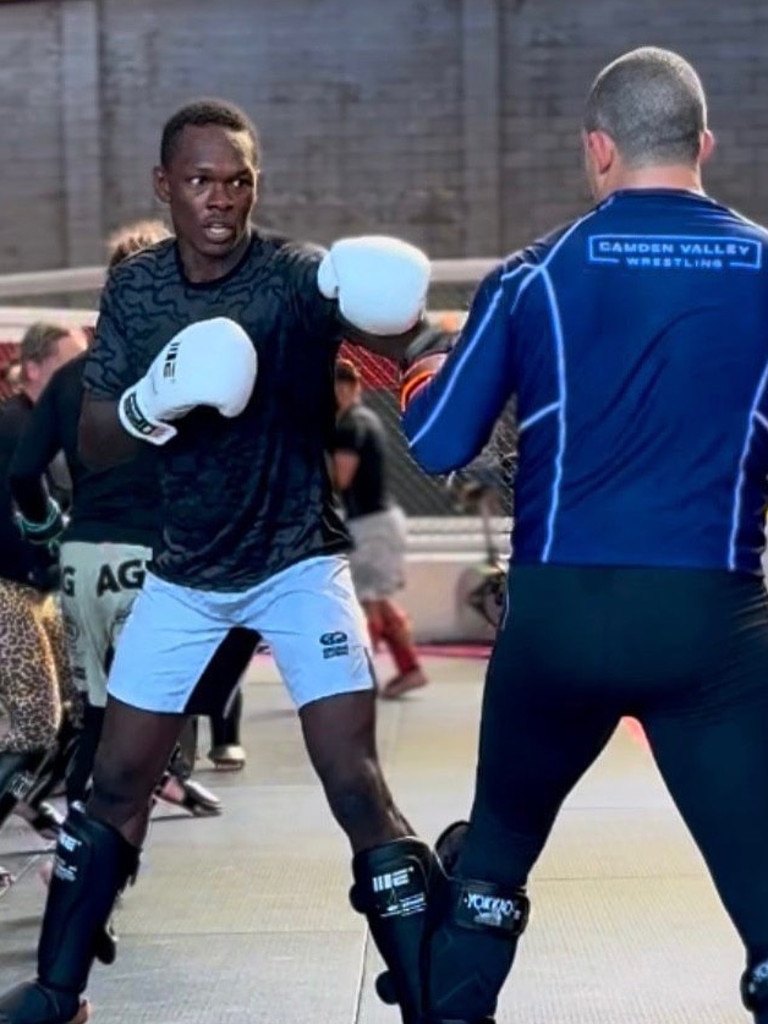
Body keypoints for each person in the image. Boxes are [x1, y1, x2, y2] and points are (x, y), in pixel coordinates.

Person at [0, 97, 432, 1024]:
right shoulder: (138, 289)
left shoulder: (298, 278)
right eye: (200, 181)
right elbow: (93, 439)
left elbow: (400, 336)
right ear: (165, 186)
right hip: (185, 571)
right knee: (116, 780)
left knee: (353, 779)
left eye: (238, 181)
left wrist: (424, 344)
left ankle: (435, 994)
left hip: (296, 561)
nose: (221, 201)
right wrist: (157, 400)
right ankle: (60, 988)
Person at [396, 45, 768, 1024]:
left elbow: (436, 443)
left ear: (597, 147)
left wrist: (424, 361)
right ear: (706, 145)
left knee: (495, 865)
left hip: (560, 619)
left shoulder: (534, 275)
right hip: (712, 625)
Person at [8, 220, 227, 820]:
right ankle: (97, 877)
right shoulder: (184, 374)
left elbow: (24, 474)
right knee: (143, 735)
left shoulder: (72, 378)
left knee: (100, 722)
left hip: (81, 561)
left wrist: (49, 530)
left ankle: (78, 864)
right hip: (149, 562)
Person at [0, 323, 87, 850]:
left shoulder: (39, 425)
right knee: (36, 725)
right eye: (68, 363)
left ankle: (28, 801)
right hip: (9, 588)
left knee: (76, 718)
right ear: (33, 367)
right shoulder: (15, 428)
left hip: (38, 589)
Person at [332, 357, 427, 698]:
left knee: (367, 603)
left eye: (341, 386)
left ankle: (357, 682)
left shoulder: (351, 425)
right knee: (378, 602)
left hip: (372, 526)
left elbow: (341, 477)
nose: (336, 393)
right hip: (375, 524)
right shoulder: (360, 421)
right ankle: (409, 669)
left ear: (352, 388)